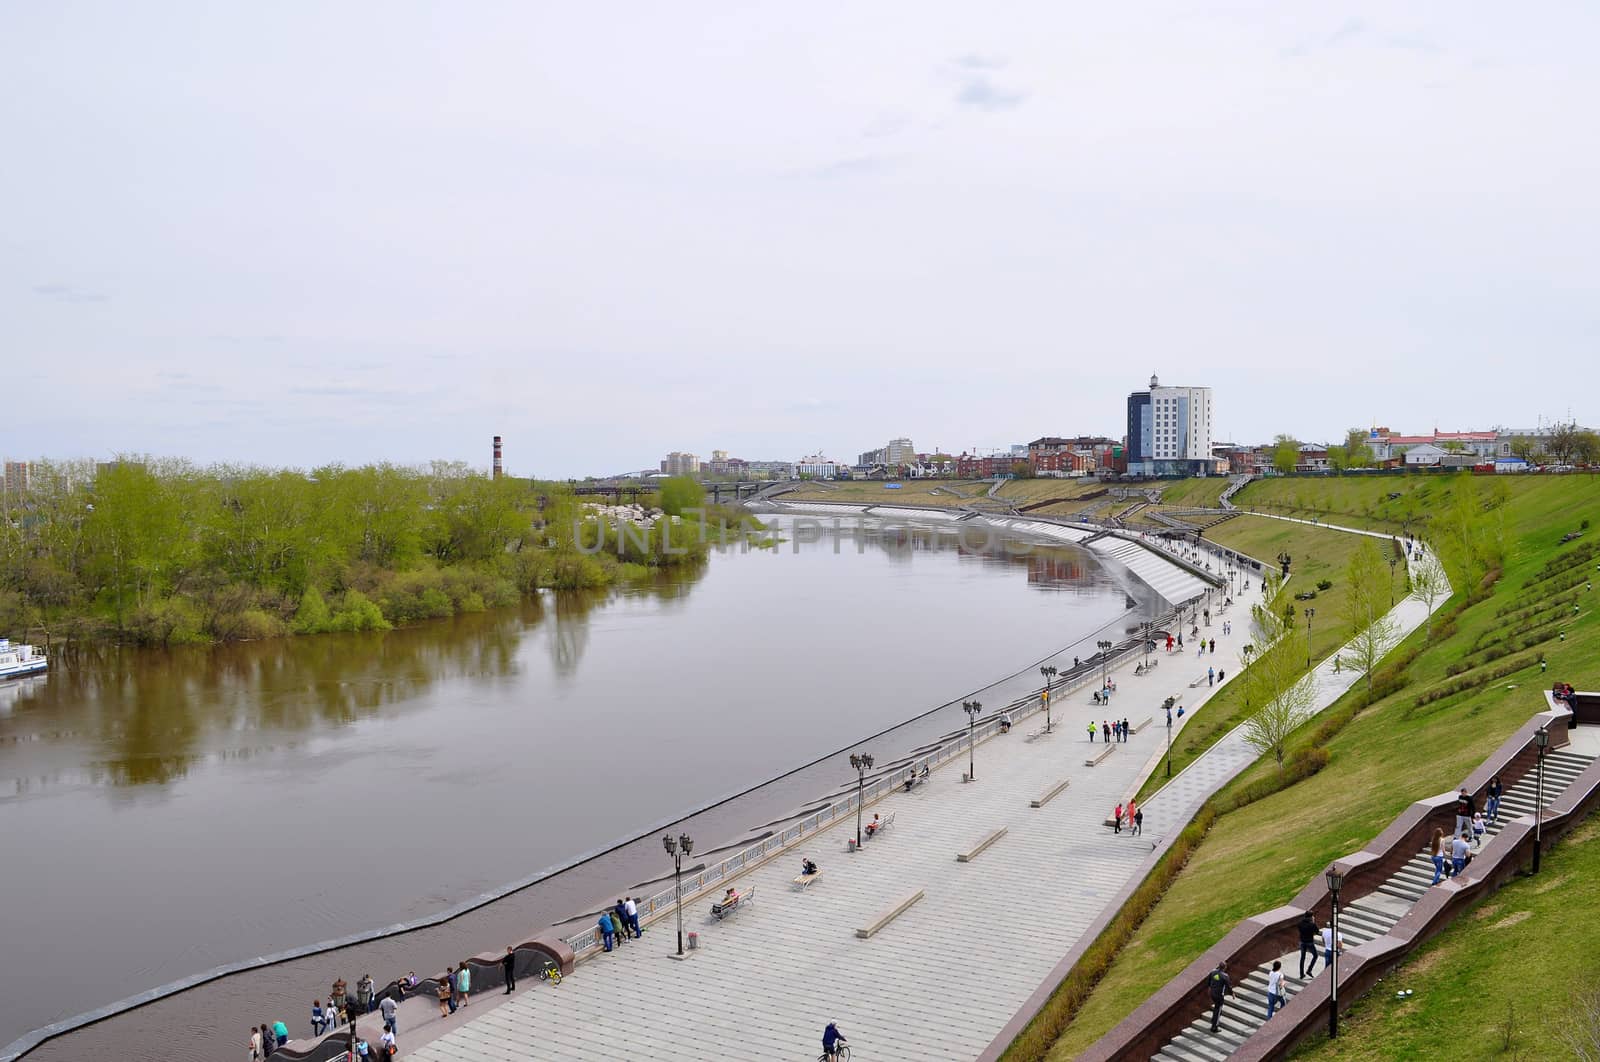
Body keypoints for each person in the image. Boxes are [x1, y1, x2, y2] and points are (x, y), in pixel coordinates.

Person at [1206, 961, 1234, 1034]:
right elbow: (1229, 986)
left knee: (1216, 1008)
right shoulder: (1225, 976)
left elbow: (1208, 982)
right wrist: (1232, 993)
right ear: (1225, 967)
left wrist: (1209, 989)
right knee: (1218, 1010)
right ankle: (1214, 1027)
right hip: (1219, 996)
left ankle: (1214, 1020)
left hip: (1212, 994)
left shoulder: (1213, 972)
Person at [1297, 911, 1319, 978]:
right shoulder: (1312, 924)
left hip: (1302, 942)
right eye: (1312, 916)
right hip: (1309, 942)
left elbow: (1299, 929)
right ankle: (1309, 970)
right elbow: (1317, 932)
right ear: (1311, 917)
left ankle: (1301, 974)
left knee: (1302, 958)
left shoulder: (1300, 923)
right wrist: (1313, 922)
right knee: (1315, 956)